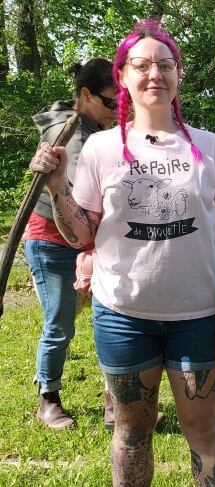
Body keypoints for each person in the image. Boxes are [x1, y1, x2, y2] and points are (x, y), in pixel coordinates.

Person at [30, 19, 215, 486]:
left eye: (165, 64)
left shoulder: (210, 148)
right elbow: (81, 235)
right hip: (123, 317)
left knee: (204, 428)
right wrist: (57, 184)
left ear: (178, 75)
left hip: (199, 316)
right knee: (131, 430)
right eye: (142, 65)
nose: (155, 74)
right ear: (123, 76)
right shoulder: (102, 149)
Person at [25, 58, 117, 430]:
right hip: (52, 242)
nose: (117, 109)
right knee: (60, 322)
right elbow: (81, 193)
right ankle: (48, 399)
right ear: (85, 95)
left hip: (92, 242)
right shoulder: (72, 133)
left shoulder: (99, 130)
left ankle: (115, 401)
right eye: (111, 101)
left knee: (108, 321)